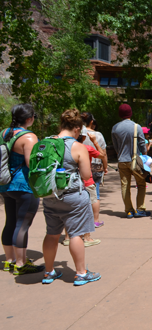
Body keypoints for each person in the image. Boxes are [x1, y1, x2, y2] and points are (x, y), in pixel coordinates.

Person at [41, 109, 100, 285]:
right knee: (75, 234)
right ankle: (81, 273)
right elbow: (85, 174)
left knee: (51, 234)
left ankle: (49, 272)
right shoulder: (77, 146)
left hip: (50, 196)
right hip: (73, 197)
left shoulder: (46, 143)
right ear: (76, 128)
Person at [1, 103, 45, 275]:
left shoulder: (5, 133)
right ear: (29, 119)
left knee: (10, 222)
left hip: (5, 184)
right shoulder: (29, 137)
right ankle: (21, 263)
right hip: (23, 185)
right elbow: (30, 163)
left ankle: (9, 260)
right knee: (22, 225)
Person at [62, 127, 104, 247]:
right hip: (86, 181)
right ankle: (87, 237)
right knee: (88, 209)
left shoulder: (65, 147)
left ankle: (67, 237)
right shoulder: (86, 147)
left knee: (69, 210)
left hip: (69, 182)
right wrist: (95, 141)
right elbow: (102, 155)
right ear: (84, 137)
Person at [111, 104, 150, 218]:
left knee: (125, 185)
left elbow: (115, 146)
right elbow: (142, 144)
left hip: (122, 160)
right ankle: (140, 209)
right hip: (135, 160)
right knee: (141, 184)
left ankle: (129, 210)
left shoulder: (115, 128)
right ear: (130, 113)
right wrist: (145, 156)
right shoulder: (136, 127)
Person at [81, 112, 107, 227]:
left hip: (81, 166)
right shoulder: (98, 135)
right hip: (95, 166)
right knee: (95, 194)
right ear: (92, 122)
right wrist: (105, 167)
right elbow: (103, 153)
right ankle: (95, 220)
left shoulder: (77, 133)